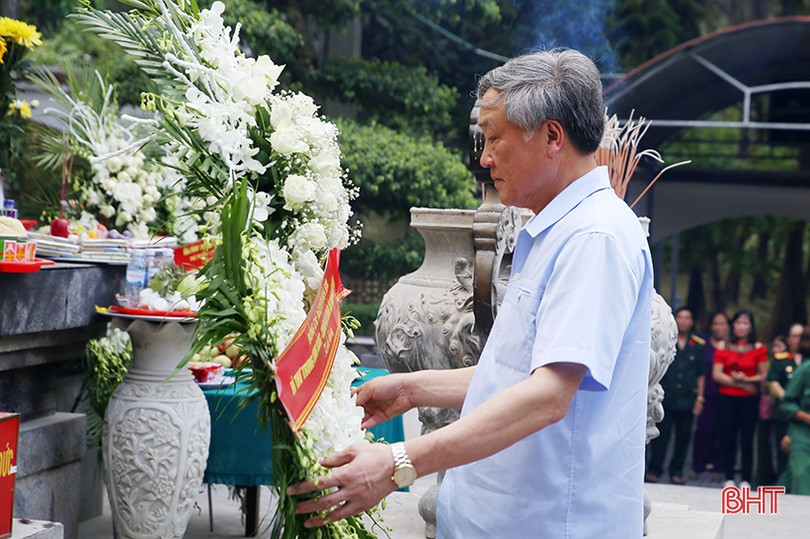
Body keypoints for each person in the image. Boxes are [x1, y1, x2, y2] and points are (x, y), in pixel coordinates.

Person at [288, 49, 654, 537]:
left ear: (551, 136)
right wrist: (413, 389)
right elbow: (520, 372)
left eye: (495, 139)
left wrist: (398, 462)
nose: (484, 159)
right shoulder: (557, 228)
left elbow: (548, 396)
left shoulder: (594, 238)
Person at [646, 307, 705, 484]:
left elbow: (701, 374)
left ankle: (677, 470)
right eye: (680, 317)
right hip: (666, 396)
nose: (684, 321)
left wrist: (700, 398)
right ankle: (654, 469)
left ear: (692, 321)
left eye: (687, 318)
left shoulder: (698, 345)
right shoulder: (665, 340)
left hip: (687, 397)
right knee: (660, 435)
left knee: (683, 436)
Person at [713, 309, 768, 489]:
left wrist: (745, 379)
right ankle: (728, 477)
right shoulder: (724, 346)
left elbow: (763, 375)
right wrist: (741, 384)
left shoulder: (758, 348)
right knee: (728, 437)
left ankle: (745, 479)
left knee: (747, 438)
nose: (741, 326)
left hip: (749, 400)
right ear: (733, 325)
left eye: (745, 323)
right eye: (738, 323)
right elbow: (717, 374)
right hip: (727, 398)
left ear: (750, 326)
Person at [691, 311, 729, 481]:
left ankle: (719, 468)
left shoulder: (733, 346)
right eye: (716, 323)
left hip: (728, 395)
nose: (719, 327)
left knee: (724, 433)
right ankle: (697, 466)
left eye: (723, 324)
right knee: (702, 432)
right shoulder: (703, 345)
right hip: (708, 395)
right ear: (711, 326)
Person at [780, 326, 810, 495]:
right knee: (803, 486)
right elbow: (787, 403)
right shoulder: (806, 369)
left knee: (789, 480)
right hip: (803, 437)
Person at [765, 334, 798, 488]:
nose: (797, 339)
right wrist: (793, 405)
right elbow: (774, 383)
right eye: (794, 336)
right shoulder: (780, 361)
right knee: (783, 451)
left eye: (801, 336)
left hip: (805, 415)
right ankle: (783, 487)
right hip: (785, 413)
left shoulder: (803, 360)